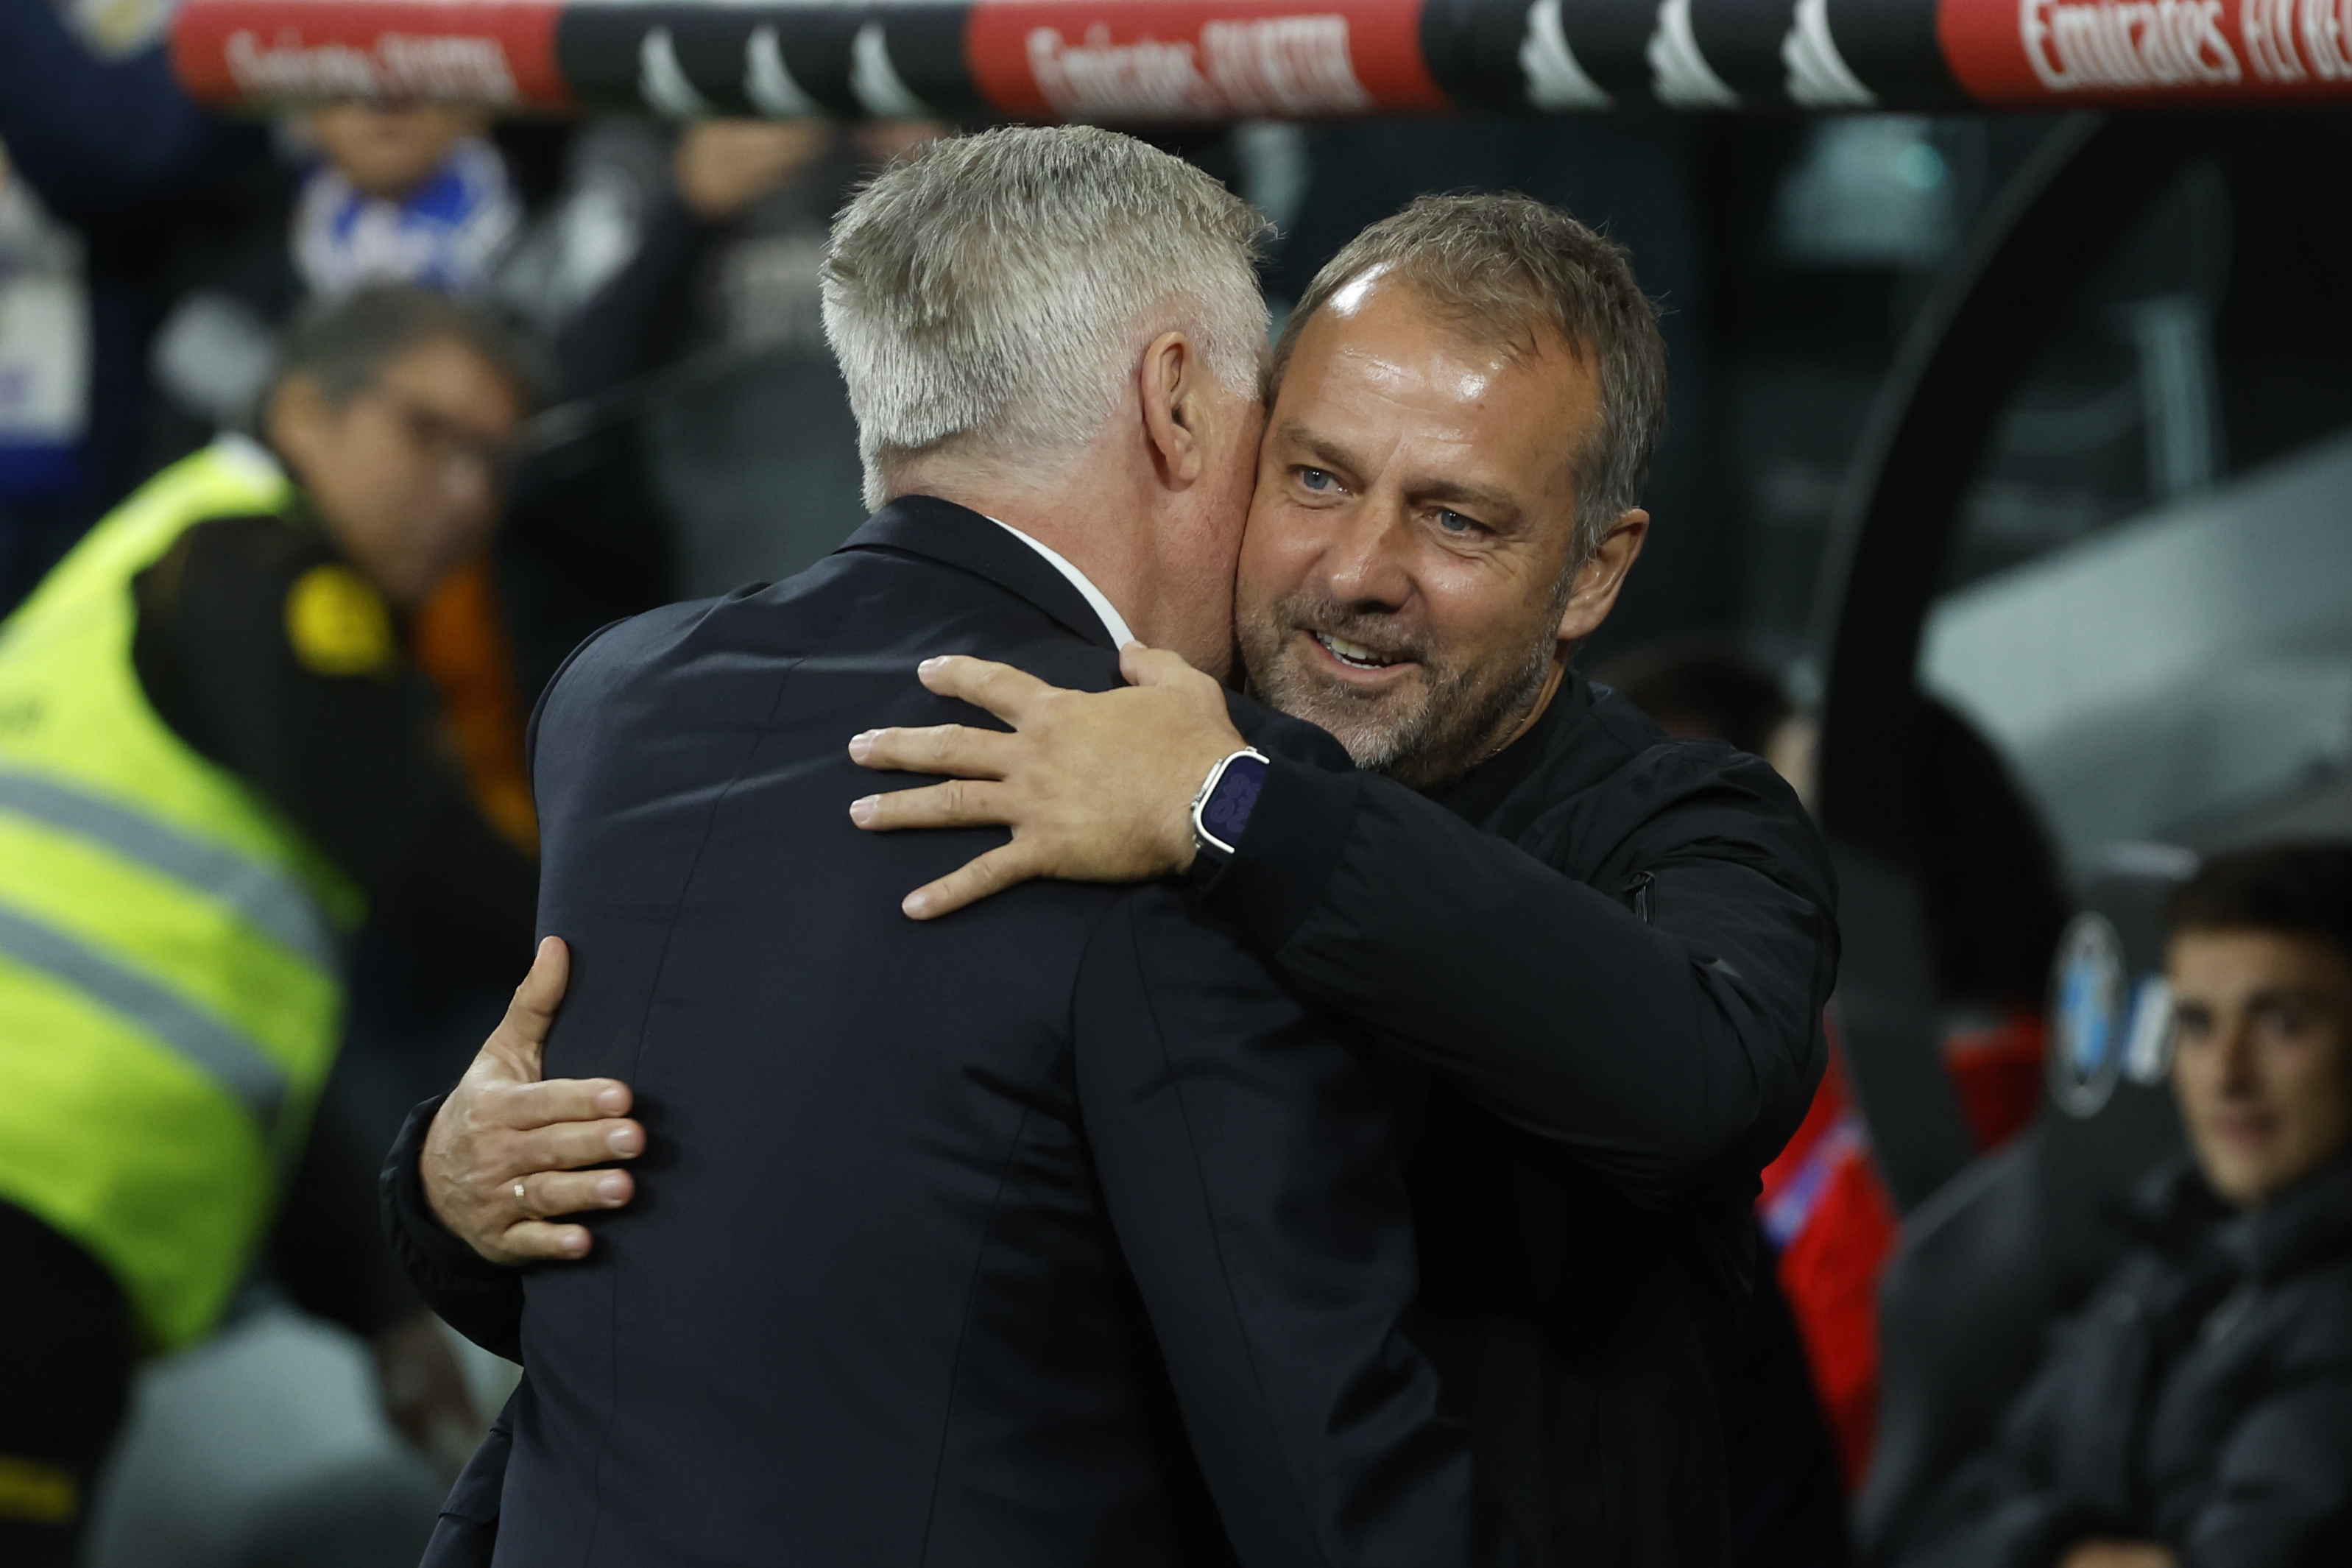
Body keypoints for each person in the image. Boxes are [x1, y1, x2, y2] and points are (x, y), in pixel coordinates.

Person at [395, 172, 1839, 1563]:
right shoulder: (1069, 761)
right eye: (1314, 477)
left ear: (1594, 570)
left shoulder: (1680, 823)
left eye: (1455, 518)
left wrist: (1237, 810)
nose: (1357, 569)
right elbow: (854, 1260)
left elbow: (1697, 1074)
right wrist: (449, 1202)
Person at [0, 285, 539, 1564]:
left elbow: (223, 1040)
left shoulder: (172, 563)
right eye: (430, 436)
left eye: (496, 463)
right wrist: (681, 927)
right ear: (302, 409)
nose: (466, 492)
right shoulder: (259, 570)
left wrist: (379, 1308)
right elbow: (422, 857)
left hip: (61, 1212)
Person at [1892, 841, 2352, 1568]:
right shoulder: (2167, 1249)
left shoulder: (2327, 1313)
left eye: (2281, 1023)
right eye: (2196, 1026)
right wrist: (2067, 1552)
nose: (2226, 1074)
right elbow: (1942, 1529)